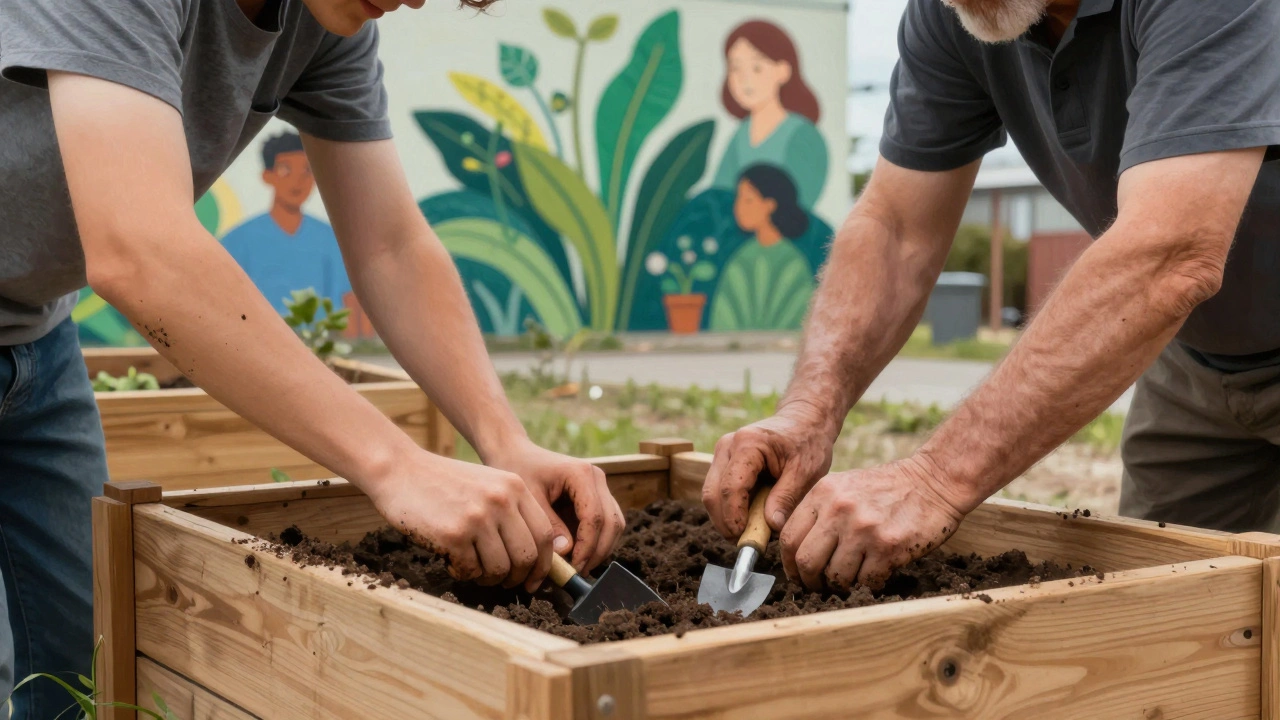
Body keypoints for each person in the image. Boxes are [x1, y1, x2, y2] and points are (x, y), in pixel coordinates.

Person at [0, 0, 625, 715]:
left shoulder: (325, 21)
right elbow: (140, 250)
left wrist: (504, 441)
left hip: (34, 343)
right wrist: (397, 465)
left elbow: (391, 246)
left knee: (86, 669)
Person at [704, 0, 1280, 593]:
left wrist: (934, 480)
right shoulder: (955, 12)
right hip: (1193, 362)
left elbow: (1171, 255)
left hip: (1192, 305)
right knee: (1168, 620)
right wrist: (809, 411)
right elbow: (897, 227)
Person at [221, 132, 351, 313]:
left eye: (307, 171)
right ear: (268, 176)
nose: (297, 181)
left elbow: (348, 306)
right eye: (285, 170)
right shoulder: (236, 242)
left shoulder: (332, 241)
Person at [712, 20, 829, 211]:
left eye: (757, 68)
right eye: (735, 68)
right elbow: (720, 193)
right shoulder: (741, 134)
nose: (744, 79)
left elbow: (800, 206)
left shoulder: (802, 135)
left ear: (783, 71)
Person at [710, 165, 815, 331]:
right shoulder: (741, 258)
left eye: (747, 200)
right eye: (738, 198)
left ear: (769, 205)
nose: (738, 208)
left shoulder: (792, 262)